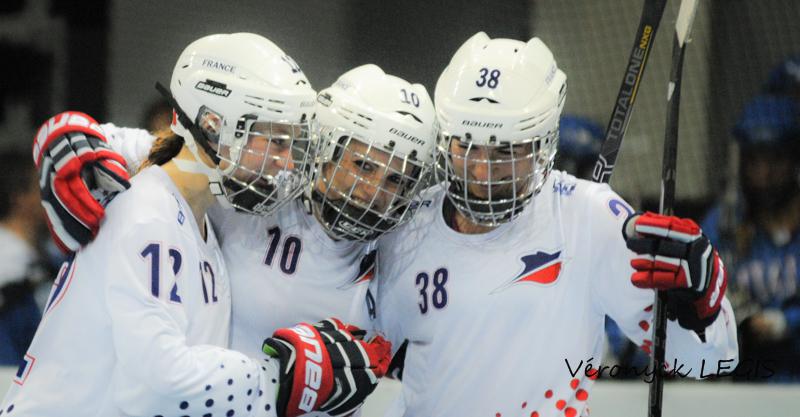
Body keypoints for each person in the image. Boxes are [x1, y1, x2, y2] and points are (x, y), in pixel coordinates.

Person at [2, 33, 391, 417]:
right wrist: (276, 380)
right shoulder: (149, 213)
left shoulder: (199, 220)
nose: (287, 163)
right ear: (212, 124)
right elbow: (155, 387)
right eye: (275, 141)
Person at [368, 32, 738, 417]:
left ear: (542, 144)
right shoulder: (407, 225)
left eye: (505, 150)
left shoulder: (588, 219)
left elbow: (708, 362)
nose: (481, 170)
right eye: (466, 144)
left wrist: (700, 306)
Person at [702, 94, 800, 380]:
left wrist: (787, 323)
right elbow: (692, 286)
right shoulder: (725, 223)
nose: (764, 174)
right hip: (745, 386)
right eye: (754, 161)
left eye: (775, 160)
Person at [0, 150, 48, 365]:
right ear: (19, 198)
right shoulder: (4, 254)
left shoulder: (48, 253)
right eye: (41, 188)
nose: (52, 195)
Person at [555, 115, 604, 180]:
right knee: (568, 165)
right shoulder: (563, 125)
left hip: (586, 159)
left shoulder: (593, 130)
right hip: (566, 157)